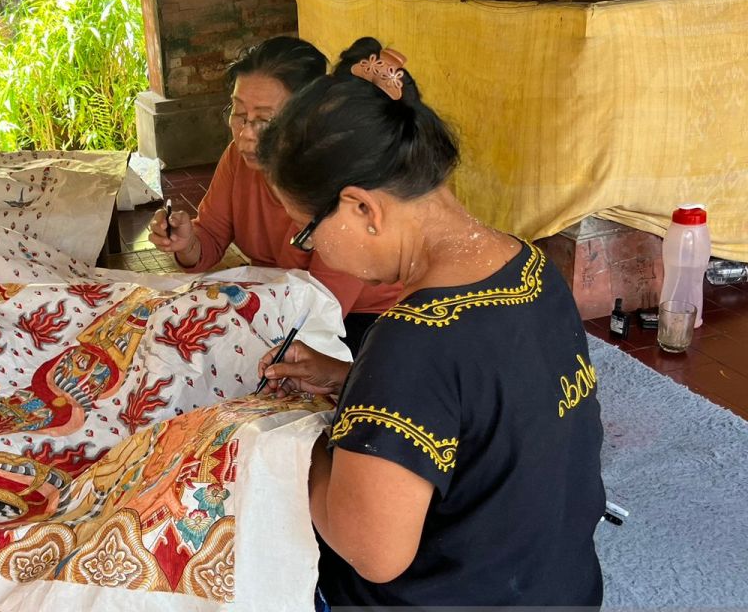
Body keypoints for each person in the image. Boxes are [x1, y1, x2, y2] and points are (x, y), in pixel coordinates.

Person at [255, 37, 605, 607]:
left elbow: (374, 551)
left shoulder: (412, 340)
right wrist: (351, 381)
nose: (310, 249)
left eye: (307, 232)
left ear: (362, 208)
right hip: (556, 589)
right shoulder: (530, 267)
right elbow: (490, 407)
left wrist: (300, 448)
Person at [147, 36, 400, 347]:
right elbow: (210, 236)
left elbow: (320, 313)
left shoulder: (342, 182)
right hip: (282, 303)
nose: (246, 134)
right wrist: (186, 243)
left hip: (359, 319)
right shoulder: (238, 160)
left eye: (266, 120)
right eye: (239, 114)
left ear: (308, 120)